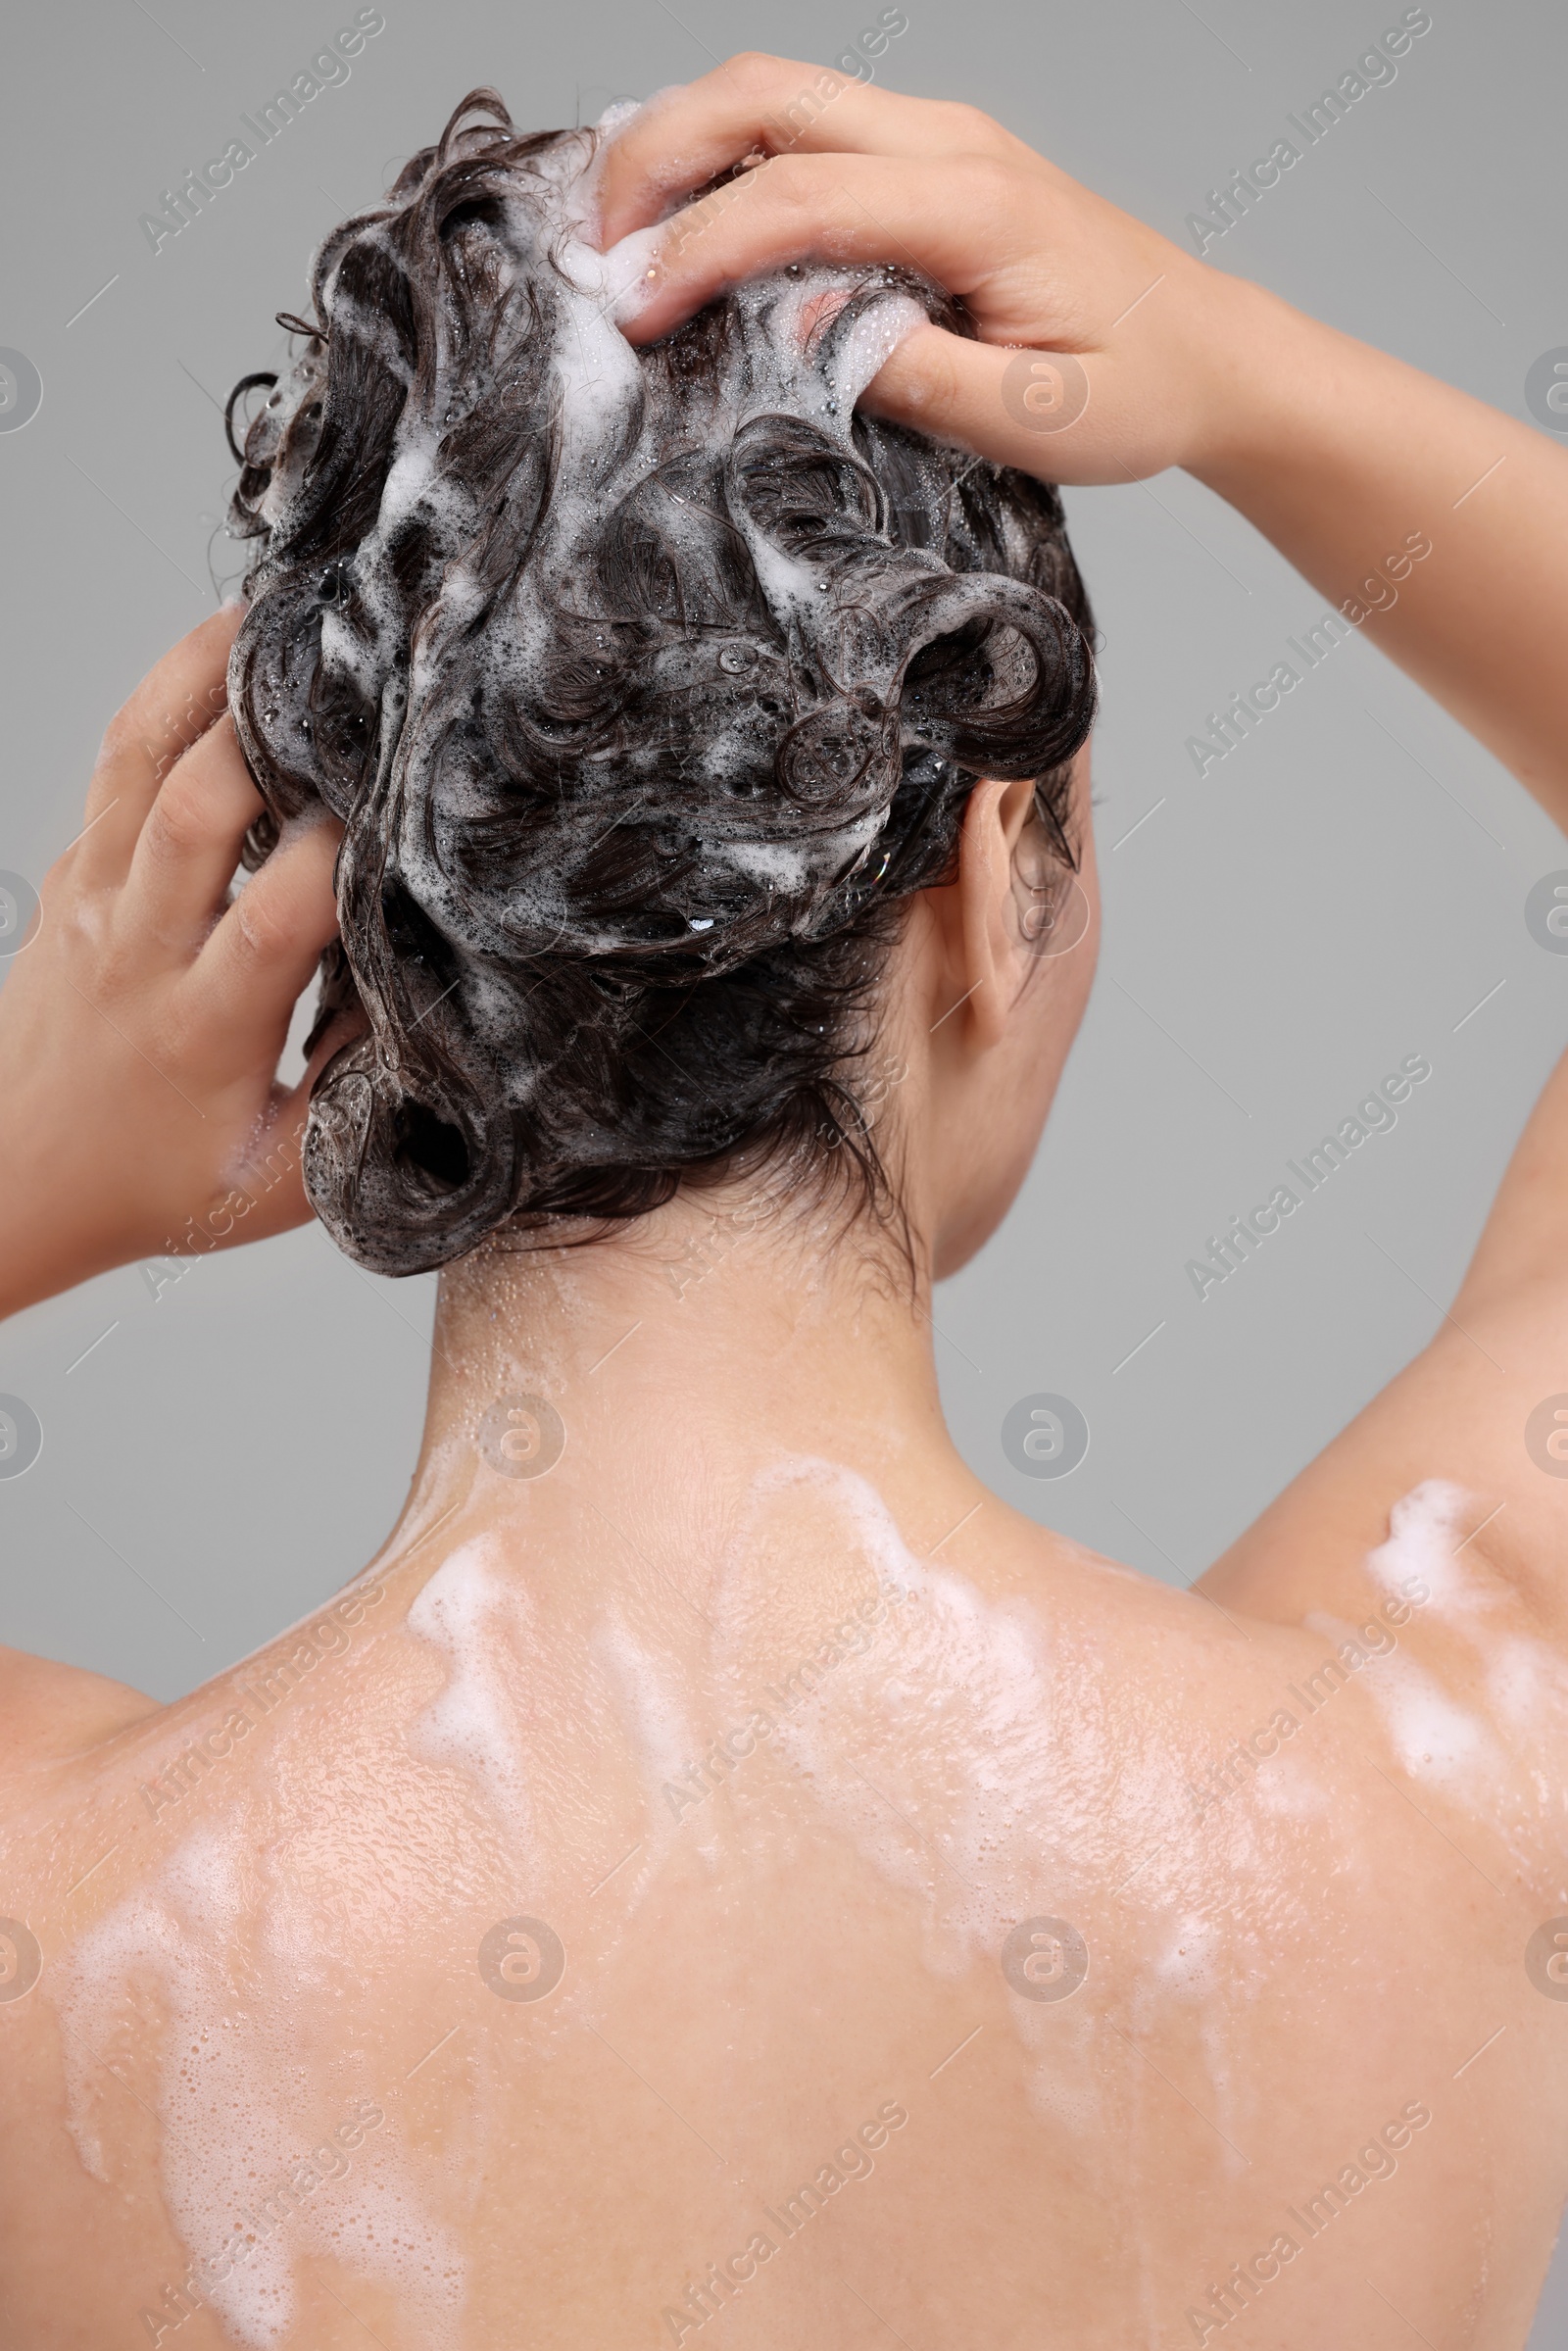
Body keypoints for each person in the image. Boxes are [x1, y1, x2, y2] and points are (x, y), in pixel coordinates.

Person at [2, 52, 1566, 2350]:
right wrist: (1232, 368)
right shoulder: (1432, 1805)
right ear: (985, 880)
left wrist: (25, 1165)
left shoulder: (65, 1933)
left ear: (379, 950)